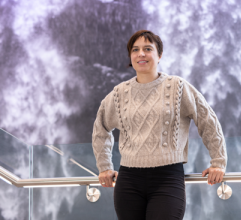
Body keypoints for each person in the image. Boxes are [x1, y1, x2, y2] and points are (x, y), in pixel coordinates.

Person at [92, 30, 227, 220]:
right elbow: (101, 128)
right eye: (135, 49)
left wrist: (218, 162)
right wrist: (105, 167)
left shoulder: (178, 87)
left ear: (159, 55)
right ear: (131, 56)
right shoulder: (118, 93)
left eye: (148, 49)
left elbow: (208, 121)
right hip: (128, 180)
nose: (141, 54)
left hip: (168, 178)